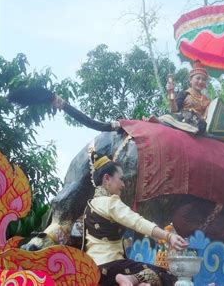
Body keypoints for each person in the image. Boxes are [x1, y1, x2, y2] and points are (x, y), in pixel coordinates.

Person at [83, 154, 189, 286]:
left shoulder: (89, 206)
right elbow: (137, 221)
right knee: (165, 274)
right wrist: (168, 236)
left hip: (94, 270)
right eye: (120, 179)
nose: (123, 185)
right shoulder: (110, 202)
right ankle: (131, 279)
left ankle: (134, 281)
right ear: (107, 178)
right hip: (112, 268)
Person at [158, 60, 211, 134]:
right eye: (198, 78)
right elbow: (174, 110)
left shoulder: (208, 101)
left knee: (202, 124)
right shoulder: (185, 94)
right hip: (184, 119)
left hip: (200, 125)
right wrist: (171, 94)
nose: (200, 82)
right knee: (188, 114)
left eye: (203, 80)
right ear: (191, 80)